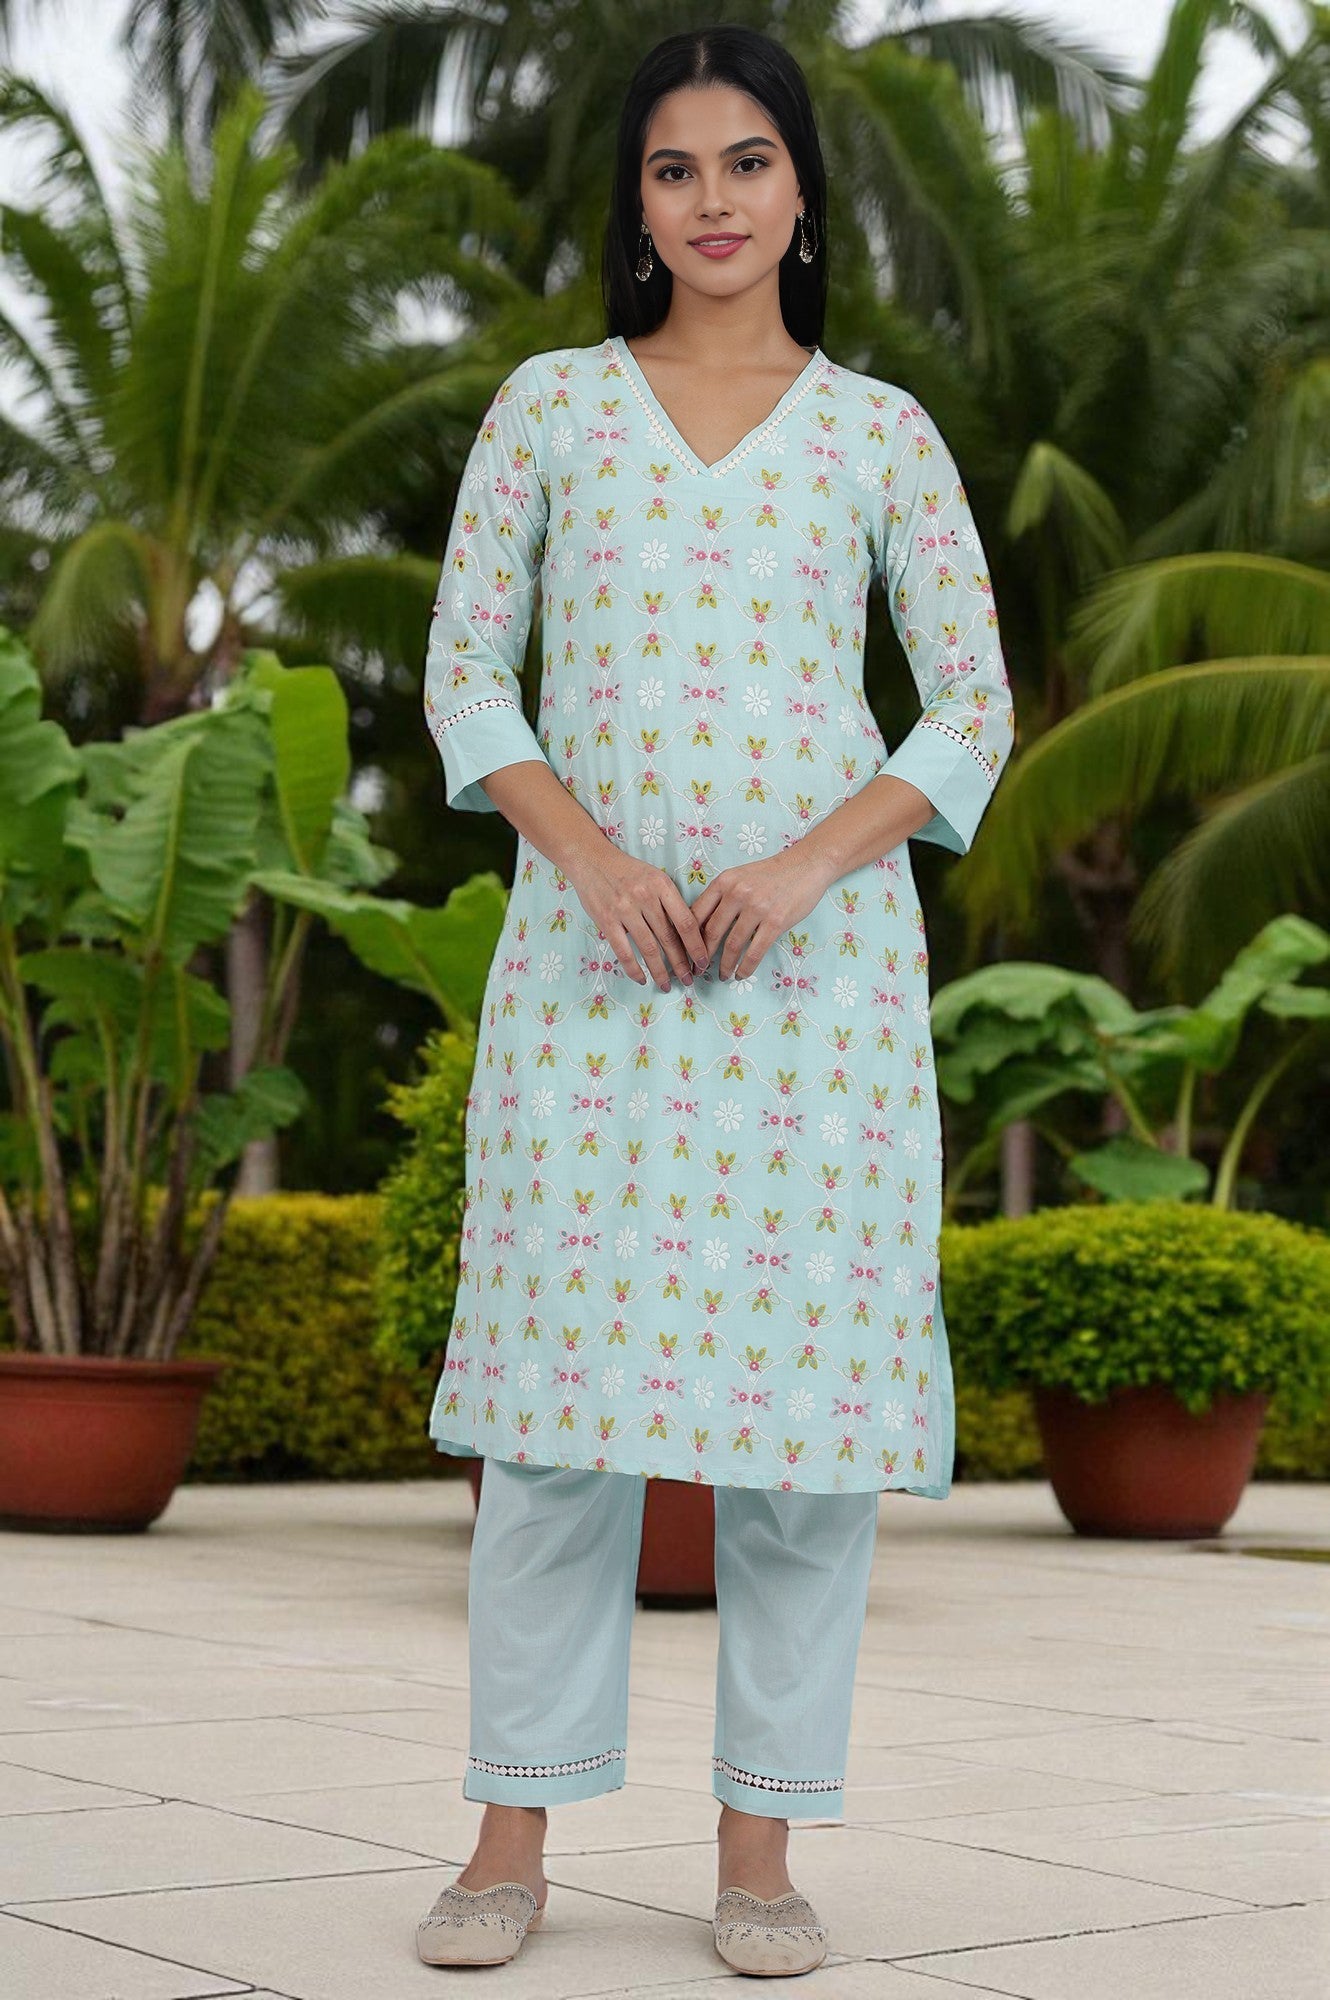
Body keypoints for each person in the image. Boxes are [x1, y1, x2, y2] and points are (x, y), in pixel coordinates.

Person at [414, 22, 1014, 1978]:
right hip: (583, 980)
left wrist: (800, 868)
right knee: (551, 1423)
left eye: (746, 161)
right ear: (636, 204)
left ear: (802, 190)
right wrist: (587, 858)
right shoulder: (549, 410)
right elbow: (465, 672)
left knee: (798, 1445)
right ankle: (508, 1838)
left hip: (810, 998)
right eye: (672, 168)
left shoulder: (878, 436)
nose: (712, 200)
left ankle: (758, 1856)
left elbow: (969, 704)